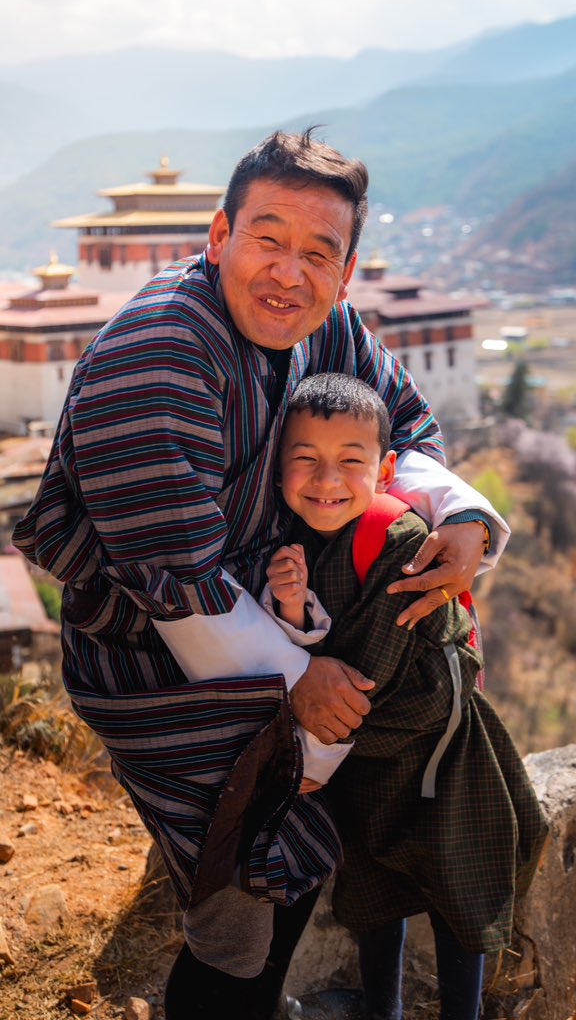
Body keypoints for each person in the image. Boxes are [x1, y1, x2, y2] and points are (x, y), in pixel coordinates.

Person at [12, 129, 511, 1020]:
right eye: (267, 238)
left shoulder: (332, 326)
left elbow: (403, 427)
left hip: (282, 613)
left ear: (346, 272)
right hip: (157, 658)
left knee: (300, 853)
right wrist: (303, 687)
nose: (290, 271)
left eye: (319, 252)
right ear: (217, 237)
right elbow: (182, 588)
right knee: (253, 876)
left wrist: (463, 515)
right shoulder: (156, 359)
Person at [264, 373, 548, 1020]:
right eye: (305, 460)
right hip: (369, 763)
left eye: (350, 463)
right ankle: (381, 1009)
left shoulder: (402, 543)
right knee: (375, 893)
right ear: (278, 467)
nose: (326, 480)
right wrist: (289, 604)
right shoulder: (297, 541)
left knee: (458, 890)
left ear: (387, 468)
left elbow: (364, 676)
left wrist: (309, 756)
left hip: (437, 755)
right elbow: (322, 656)